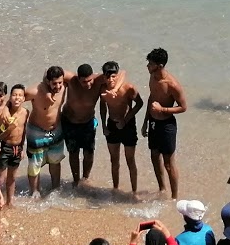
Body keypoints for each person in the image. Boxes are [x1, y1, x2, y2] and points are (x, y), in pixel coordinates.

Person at [143, 48, 185, 199]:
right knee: (154, 156)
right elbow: (151, 98)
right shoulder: (152, 77)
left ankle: (174, 197)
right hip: (153, 122)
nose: (148, 66)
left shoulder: (172, 85)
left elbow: (183, 107)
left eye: (151, 63)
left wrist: (163, 109)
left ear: (160, 66)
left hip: (167, 125)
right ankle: (162, 189)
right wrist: (145, 121)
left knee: (168, 163)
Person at [21, 67, 69, 197]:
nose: (58, 86)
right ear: (48, 81)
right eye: (54, 83)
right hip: (37, 131)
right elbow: (15, 98)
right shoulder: (35, 91)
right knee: (34, 164)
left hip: (56, 130)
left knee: (55, 161)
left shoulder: (64, 87)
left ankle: (55, 189)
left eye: (60, 82)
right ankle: (35, 191)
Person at [99, 60, 144, 196]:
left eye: (113, 76)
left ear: (118, 76)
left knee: (130, 159)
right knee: (114, 159)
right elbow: (102, 107)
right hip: (112, 125)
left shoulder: (128, 88)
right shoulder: (103, 90)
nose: (111, 79)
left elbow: (140, 103)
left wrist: (125, 120)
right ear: (104, 77)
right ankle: (115, 188)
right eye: (108, 76)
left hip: (128, 125)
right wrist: (103, 125)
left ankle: (134, 191)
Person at [60, 65, 106, 184]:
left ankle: (85, 179)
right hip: (69, 122)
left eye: (90, 80)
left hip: (88, 122)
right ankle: (76, 181)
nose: (88, 84)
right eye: (84, 82)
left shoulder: (98, 80)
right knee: (73, 153)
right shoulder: (71, 80)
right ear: (78, 79)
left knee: (89, 153)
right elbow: (51, 71)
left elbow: (121, 73)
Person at [0, 84, 31, 208]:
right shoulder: (5, 116)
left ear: (24, 98)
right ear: (10, 97)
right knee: (1, 178)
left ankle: (10, 201)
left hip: (17, 149)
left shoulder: (26, 112)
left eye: (20, 95)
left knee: (12, 178)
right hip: (5, 147)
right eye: (14, 95)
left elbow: (24, 131)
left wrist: (22, 148)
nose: (17, 98)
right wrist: (9, 129)